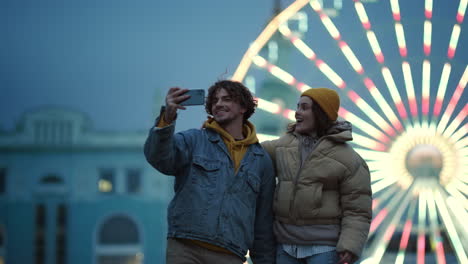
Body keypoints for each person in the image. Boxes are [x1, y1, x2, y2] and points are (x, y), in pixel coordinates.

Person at [144, 80, 276, 264]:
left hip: (230, 253)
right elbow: (159, 158)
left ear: (243, 107)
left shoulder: (261, 161)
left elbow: (263, 223)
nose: (219, 104)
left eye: (227, 99)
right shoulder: (194, 140)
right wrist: (167, 117)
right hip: (186, 247)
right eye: (214, 101)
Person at [262, 88, 372, 264]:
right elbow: (253, 153)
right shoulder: (282, 146)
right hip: (285, 245)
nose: (297, 112)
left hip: (324, 248)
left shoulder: (349, 160)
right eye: (298, 106)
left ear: (321, 113)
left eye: (304, 107)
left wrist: (349, 246)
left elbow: (357, 210)